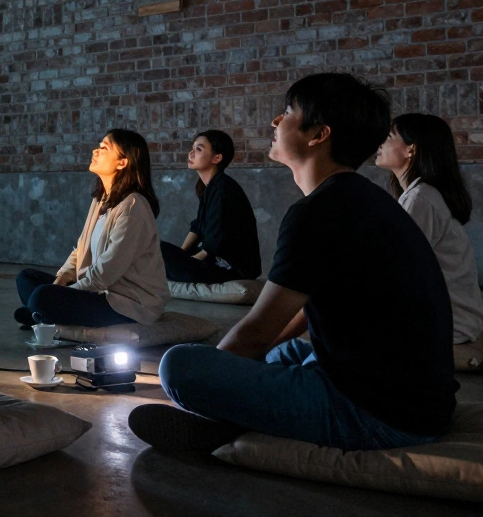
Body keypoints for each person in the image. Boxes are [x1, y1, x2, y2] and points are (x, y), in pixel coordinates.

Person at [130, 73, 458, 453]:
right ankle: (233, 422)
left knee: (179, 366)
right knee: (284, 353)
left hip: (379, 415)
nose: (275, 121)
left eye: (287, 112)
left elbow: (254, 333)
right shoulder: (364, 199)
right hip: (422, 402)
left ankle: (222, 426)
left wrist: (213, 381)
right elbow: (292, 318)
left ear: (318, 134)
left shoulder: (317, 212)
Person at [14, 129, 169, 328]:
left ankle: (38, 312)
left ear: (122, 162)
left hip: (125, 303)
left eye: (104, 148)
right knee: (27, 278)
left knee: (42, 296)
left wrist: (64, 293)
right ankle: (39, 313)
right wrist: (61, 280)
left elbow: (107, 271)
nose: (95, 151)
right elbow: (81, 249)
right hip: (96, 291)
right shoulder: (100, 199)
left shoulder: (133, 206)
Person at [375, 113, 483, 344]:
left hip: (451, 326)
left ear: (410, 149)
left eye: (389, 136)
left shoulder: (421, 198)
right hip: (445, 321)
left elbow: (396, 269)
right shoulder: (418, 194)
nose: (380, 142)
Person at [161, 130, 262, 283]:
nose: (191, 154)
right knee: (157, 250)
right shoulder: (209, 187)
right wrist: (181, 256)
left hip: (231, 269)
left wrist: (187, 262)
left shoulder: (223, 188)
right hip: (212, 261)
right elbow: (197, 227)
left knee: (159, 251)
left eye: (198, 149)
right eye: (192, 148)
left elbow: (216, 238)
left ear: (217, 158)